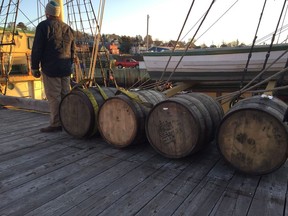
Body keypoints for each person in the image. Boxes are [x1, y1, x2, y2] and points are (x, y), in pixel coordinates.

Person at [31, 0, 75, 132]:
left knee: (54, 97)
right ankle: (68, 122)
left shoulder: (43, 26)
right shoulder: (68, 28)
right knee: (65, 95)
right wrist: (69, 65)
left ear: (47, 13)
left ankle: (56, 124)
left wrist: (34, 67)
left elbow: (37, 48)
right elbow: (73, 50)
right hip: (66, 68)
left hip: (51, 69)